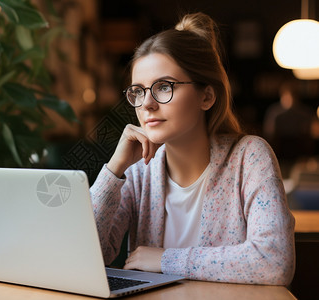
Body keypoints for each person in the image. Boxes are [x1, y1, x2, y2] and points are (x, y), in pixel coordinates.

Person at [90, 12, 295, 285]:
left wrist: (165, 259)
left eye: (163, 87)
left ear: (207, 96)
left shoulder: (250, 157)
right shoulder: (139, 171)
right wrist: (114, 170)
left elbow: (274, 262)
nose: (147, 104)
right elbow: (86, 256)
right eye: (138, 91)